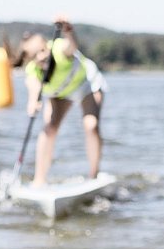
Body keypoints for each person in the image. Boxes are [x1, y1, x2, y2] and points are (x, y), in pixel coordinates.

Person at [15, 17, 108, 186]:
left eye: (43, 50)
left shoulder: (59, 50)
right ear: (29, 58)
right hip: (62, 94)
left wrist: (68, 30)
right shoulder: (33, 71)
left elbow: (71, 45)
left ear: (47, 45)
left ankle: (94, 175)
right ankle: (39, 179)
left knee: (91, 125)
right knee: (49, 129)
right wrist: (33, 104)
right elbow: (33, 90)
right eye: (35, 55)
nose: (42, 56)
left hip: (86, 85)